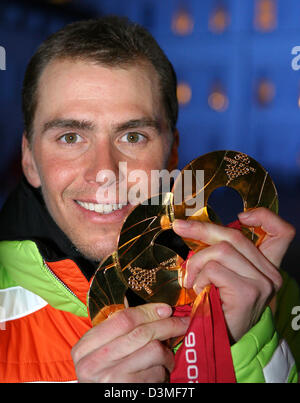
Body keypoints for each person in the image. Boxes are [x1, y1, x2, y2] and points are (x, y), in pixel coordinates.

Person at [0, 16, 299, 383]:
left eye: (133, 137)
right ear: (29, 160)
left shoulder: (264, 293)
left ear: (172, 154)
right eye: (71, 138)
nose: (105, 171)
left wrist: (240, 346)